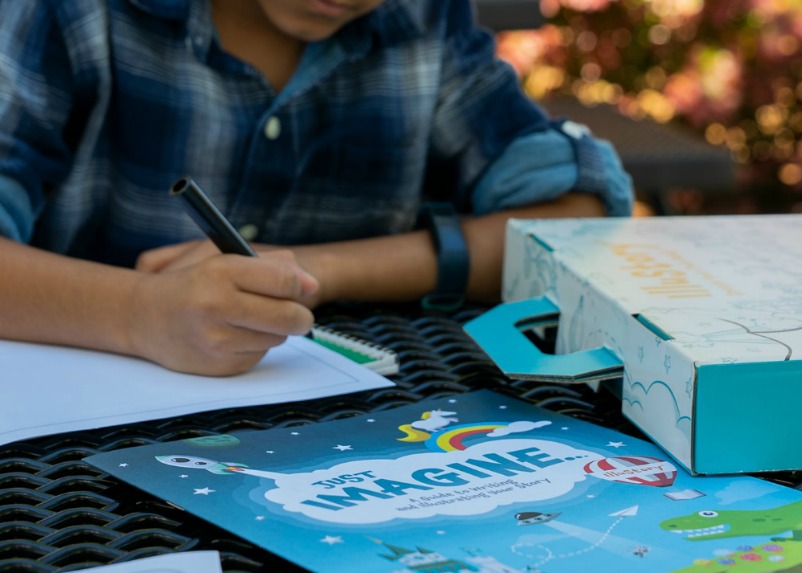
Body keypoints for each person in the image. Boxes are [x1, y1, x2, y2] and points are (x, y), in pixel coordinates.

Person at [0, 0, 633, 376]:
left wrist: (312, 269)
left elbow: (574, 221)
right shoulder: (74, 13)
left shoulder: (421, 17)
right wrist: (140, 315)